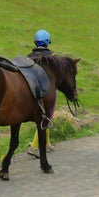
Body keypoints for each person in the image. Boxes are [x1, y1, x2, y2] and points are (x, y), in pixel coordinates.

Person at [27, 29, 55, 158]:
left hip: (32, 92)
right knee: (45, 117)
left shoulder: (28, 57)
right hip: (48, 92)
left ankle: (47, 143)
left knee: (46, 117)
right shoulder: (52, 57)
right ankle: (34, 146)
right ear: (48, 42)